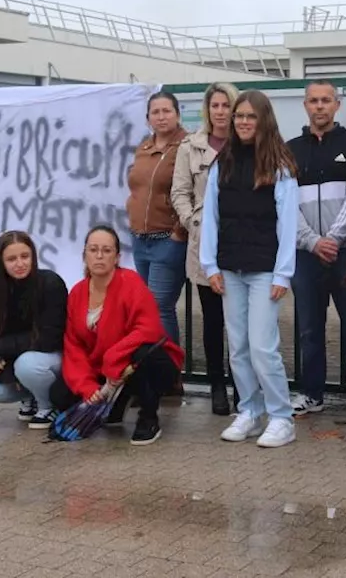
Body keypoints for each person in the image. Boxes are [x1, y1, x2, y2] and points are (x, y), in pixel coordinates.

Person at [199, 90, 301, 449]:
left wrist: (282, 273)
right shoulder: (221, 163)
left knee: (262, 347)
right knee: (238, 347)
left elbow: (287, 225)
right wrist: (209, 265)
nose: (242, 121)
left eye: (249, 116)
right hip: (229, 269)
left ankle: (281, 417)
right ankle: (249, 410)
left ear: (263, 120)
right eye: (239, 115)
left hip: (263, 271)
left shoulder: (280, 166)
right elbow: (210, 218)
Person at [286, 81, 346, 421]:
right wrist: (311, 241)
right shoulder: (290, 149)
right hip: (306, 255)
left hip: (345, 252)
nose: (319, 106)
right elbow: (286, 201)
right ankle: (312, 393)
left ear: (337, 105)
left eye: (326, 101)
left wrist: (333, 239)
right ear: (305, 105)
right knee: (309, 329)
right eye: (313, 101)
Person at [59, 225, 185, 446]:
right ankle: (117, 402)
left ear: (117, 257)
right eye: (93, 249)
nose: (99, 256)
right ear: (84, 255)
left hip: (143, 363)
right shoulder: (77, 293)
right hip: (105, 371)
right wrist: (87, 387)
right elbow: (73, 346)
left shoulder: (131, 283)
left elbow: (150, 329)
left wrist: (113, 359)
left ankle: (148, 417)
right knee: (58, 393)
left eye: (107, 251)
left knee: (143, 353)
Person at [171, 81, 240, 415]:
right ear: (207, 109)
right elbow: (179, 192)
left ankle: (243, 384)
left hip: (242, 244)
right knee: (213, 321)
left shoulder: (248, 142)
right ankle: (217, 385)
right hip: (204, 246)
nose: (221, 112)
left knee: (240, 320)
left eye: (227, 105)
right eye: (215, 106)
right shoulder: (191, 146)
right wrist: (192, 222)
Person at [0, 231, 69, 428]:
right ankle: (30, 396)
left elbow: (49, 338)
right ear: (1, 263)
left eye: (25, 256)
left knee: (28, 365)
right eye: (11, 259)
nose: (20, 264)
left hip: (53, 357)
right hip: (17, 359)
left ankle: (48, 406)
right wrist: (0, 364)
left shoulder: (50, 283)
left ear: (33, 256)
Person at [126, 91, 189, 345]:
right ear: (148, 118)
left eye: (167, 111)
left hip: (168, 240)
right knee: (147, 309)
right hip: (140, 240)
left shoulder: (187, 146)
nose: (161, 117)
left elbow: (193, 191)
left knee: (159, 307)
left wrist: (178, 232)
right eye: (156, 112)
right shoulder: (144, 147)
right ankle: (154, 368)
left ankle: (170, 373)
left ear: (177, 114)